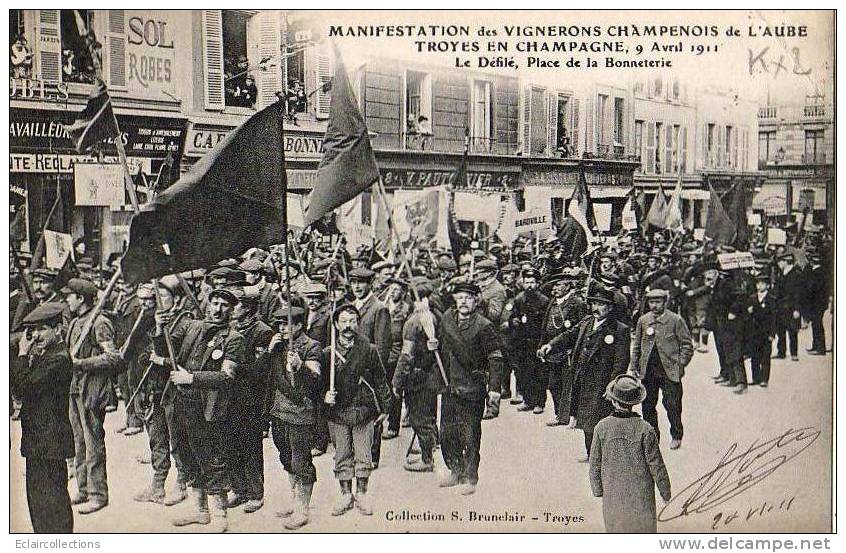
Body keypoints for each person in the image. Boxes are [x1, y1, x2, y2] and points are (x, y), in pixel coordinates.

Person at [155, 286, 245, 533]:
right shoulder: (192, 326)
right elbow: (164, 351)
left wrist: (192, 378)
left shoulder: (234, 339)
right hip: (180, 402)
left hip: (209, 407)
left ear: (231, 309)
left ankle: (219, 515)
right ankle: (200, 511)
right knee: (185, 455)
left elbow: (227, 376)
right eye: (214, 302)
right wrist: (158, 326)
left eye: (223, 305)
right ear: (207, 303)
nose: (217, 309)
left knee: (211, 458)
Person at [538, 287, 630, 461]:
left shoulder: (619, 329)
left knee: (601, 419)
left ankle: (607, 457)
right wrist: (551, 345)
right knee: (587, 419)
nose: (596, 307)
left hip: (602, 382)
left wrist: (613, 384)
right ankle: (592, 455)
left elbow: (621, 361)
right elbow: (569, 335)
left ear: (610, 308)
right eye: (594, 303)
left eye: (601, 304)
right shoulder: (587, 322)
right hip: (582, 377)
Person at [436, 282, 505, 495]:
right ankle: (455, 470)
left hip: (472, 388)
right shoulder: (447, 319)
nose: (463, 302)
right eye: (460, 297)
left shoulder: (484, 326)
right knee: (447, 433)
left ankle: (470, 477)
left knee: (470, 435)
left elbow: (495, 358)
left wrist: (494, 389)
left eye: (468, 298)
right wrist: (433, 345)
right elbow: (440, 344)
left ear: (476, 301)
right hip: (450, 385)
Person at [321, 304, 391, 516]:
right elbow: (319, 383)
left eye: (352, 321)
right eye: (343, 321)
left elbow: (380, 380)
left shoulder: (369, 350)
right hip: (338, 412)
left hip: (362, 410)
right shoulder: (328, 354)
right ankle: (345, 495)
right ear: (336, 324)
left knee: (363, 453)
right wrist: (326, 395)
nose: (348, 326)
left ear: (358, 324)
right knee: (342, 454)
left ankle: (361, 493)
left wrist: (386, 406)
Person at [11, 302, 75, 533]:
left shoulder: (58, 359)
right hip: (41, 442)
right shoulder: (47, 355)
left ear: (58, 329)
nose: (35, 335)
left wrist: (21, 353)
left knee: (51, 506)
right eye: (32, 330)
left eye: (42, 329)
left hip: (49, 443)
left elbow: (24, 387)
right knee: (39, 505)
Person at [64, 278, 123, 515]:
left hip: (91, 390)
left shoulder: (99, 323)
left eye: (71, 295)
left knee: (93, 443)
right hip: (74, 389)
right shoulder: (76, 322)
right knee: (78, 441)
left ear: (80, 298)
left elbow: (113, 358)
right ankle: (83, 488)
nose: (67, 299)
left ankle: (99, 494)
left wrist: (82, 363)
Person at [589, 374, 671, 533]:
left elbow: (594, 464)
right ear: (635, 402)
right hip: (641, 499)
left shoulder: (601, 428)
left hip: (613, 497)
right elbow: (657, 466)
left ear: (613, 400)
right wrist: (665, 492)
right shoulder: (645, 429)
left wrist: (598, 489)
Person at [266, 306, 323, 529]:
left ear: (299, 325)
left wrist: (300, 366)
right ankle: (294, 499)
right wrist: (269, 351)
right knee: (286, 458)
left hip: (301, 413)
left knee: (301, 462)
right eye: (279, 324)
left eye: (287, 324)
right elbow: (264, 374)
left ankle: (302, 508)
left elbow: (315, 379)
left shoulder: (311, 346)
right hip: (279, 411)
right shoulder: (278, 346)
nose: (282, 329)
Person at [225, 290, 274, 513]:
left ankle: (256, 493)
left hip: (251, 397)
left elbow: (259, 369)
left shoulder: (262, 332)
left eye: (236, 305)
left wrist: (234, 367)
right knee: (232, 443)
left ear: (248, 308)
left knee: (251, 446)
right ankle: (239, 489)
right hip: (230, 396)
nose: (232, 309)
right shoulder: (232, 328)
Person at [630, 289, 694, 449]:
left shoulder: (675, 320)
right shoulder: (643, 320)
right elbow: (637, 345)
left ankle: (676, 435)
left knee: (672, 405)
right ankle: (652, 438)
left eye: (658, 302)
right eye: (652, 302)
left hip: (669, 371)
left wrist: (680, 364)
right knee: (648, 406)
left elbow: (687, 345)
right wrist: (635, 365)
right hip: (648, 371)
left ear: (665, 303)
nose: (654, 305)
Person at [392, 279, 445, 472]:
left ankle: (427, 458)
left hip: (416, 377)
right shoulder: (433, 316)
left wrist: (397, 381)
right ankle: (430, 451)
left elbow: (406, 355)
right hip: (430, 374)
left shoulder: (414, 322)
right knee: (428, 415)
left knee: (419, 418)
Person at [347, 267, 392, 468]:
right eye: (354, 283)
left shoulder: (378, 308)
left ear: (369, 284)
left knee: (373, 412)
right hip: (352, 369)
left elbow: (382, 346)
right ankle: (358, 452)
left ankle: (372, 456)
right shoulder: (351, 307)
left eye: (361, 283)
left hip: (369, 371)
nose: (357, 287)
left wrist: (374, 372)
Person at [538, 269, 587, 425]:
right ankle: (559, 413)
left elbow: (581, 328)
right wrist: (542, 345)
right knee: (554, 384)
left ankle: (568, 415)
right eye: (555, 285)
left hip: (568, 352)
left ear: (568, 286)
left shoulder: (577, 303)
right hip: (552, 350)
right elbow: (545, 325)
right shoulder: (553, 302)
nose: (555, 288)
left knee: (569, 384)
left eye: (559, 285)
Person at [507, 268, 549, 415]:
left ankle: (539, 402)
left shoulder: (544, 301)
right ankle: (527, 399)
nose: (529, 285)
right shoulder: (519, 299)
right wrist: (514, 321)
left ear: (537, 283)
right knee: (523, 372)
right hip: (521, 341)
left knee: (538, 373)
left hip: (536, 341)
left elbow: (545, 323)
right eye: (527, 282)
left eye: (532, 282)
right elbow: (511, 316)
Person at [747, 274, 777, 387]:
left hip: (766, 331)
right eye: (758, 283)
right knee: (754, 356)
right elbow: (748, 315)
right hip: (754, 332)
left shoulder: (771, 299)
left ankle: (764, 378)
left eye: (762, 283)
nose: (759, 286)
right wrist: (749, 311)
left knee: (765, 356)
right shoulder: (752, 298)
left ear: (768, 286)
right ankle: (756, 377)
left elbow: (774, 317)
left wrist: (772, 333)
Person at [773, 252, 802, 361]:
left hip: (791, 307)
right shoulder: (781, 273)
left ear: (786, 262)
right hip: (781, 307)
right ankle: (781, 352)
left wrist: (797, 309)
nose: (779, 263)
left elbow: (798, 293)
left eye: (780, 261)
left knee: (792, 331)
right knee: (780, 330)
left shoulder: (796, 274)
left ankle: (794, 353)